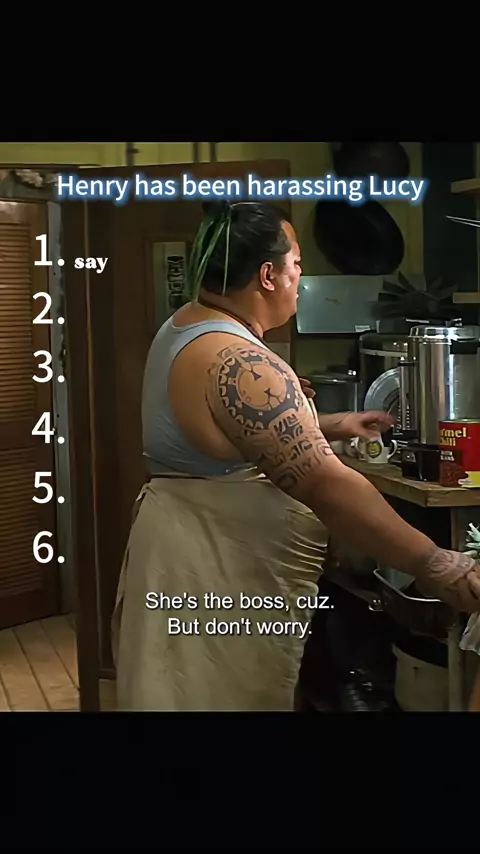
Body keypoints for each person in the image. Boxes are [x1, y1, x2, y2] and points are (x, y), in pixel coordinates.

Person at [112, 199, 480, 711]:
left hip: (190, 562)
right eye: (298, 263)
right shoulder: (239, 359)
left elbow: (228, 434)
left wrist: (328, 424)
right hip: (211, 571)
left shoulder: (188, 326)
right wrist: (437, 564)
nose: (300, 277)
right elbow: (326, 486)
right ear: (268, 275)